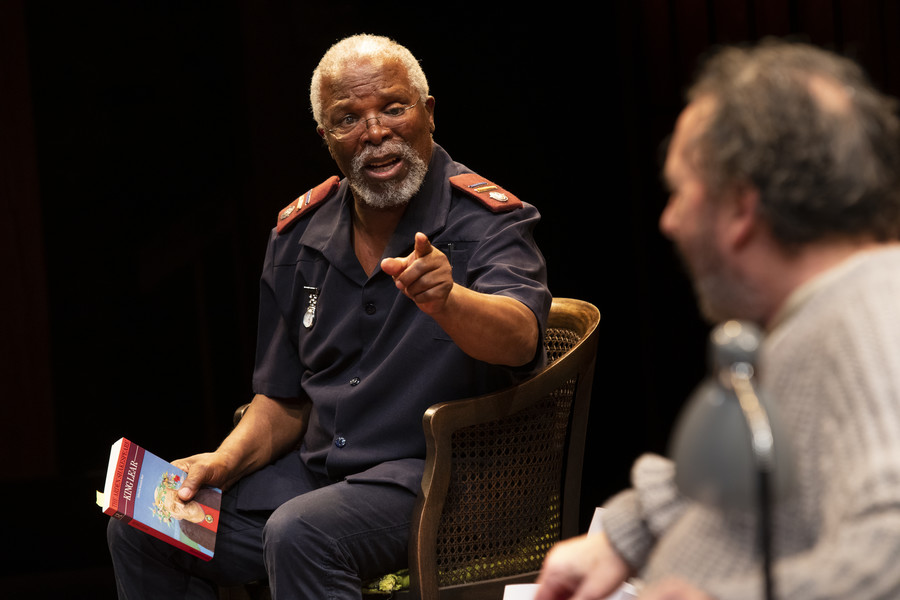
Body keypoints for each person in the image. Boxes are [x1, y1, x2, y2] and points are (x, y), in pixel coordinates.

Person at [108, 33, 551, 599]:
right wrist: (222, 463)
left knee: (301, 534)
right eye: (348, 119)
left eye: (394, 108)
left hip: (440, 486)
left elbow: (521, 340)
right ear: (326, 139)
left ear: (429, 113)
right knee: (150, 524)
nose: (375, 132)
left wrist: (450, 300)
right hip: (314, 479)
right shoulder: (297, 236)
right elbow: (282, 399)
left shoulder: (485, 220)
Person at [535, 39, 900, 600]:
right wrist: (628, 534)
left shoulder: (869, 323)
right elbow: (764, 482)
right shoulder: (826, 313)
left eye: (680, 193)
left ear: (740, 208)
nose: (668, 221)